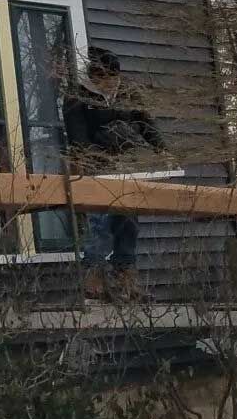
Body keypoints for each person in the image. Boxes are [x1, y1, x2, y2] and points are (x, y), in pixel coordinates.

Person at [62, 46, 165, 300]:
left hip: (124, 163)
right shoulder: (77, 97)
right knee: (100, 220)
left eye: (115, 80)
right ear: (96, 78)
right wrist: (90, 160)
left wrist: (160, 148)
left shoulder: (126, 92)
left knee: (128, 217)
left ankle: (125, 273)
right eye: (107, 80)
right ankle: (93, 272)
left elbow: (143, 121)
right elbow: (78, 137)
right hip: (95, 165)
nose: (112, 85)